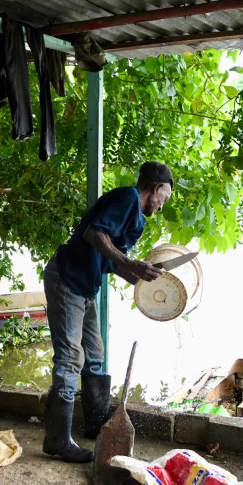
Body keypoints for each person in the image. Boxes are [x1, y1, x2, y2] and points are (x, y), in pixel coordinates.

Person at [42, 161, 174, 462]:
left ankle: (95, 425)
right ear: (155, 188)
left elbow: (113, 260)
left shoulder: (135, 216)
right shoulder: (127, 197)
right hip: (67, 279)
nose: (162, 206)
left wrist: (146, 279)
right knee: (70, 357)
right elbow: (93, 234)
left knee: (95, 354)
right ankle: (57, 440)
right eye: (163, 198)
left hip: (85, 286)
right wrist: (132, 265)